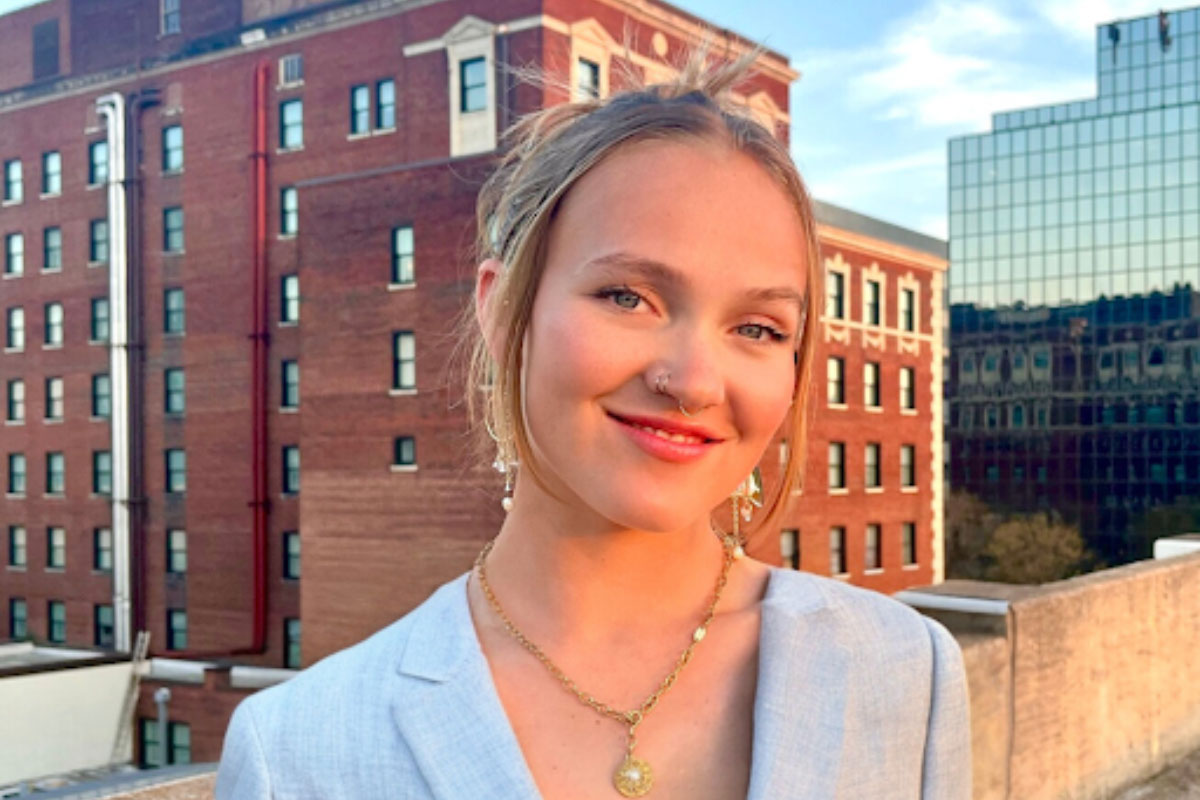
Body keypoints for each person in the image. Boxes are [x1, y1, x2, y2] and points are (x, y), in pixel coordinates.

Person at [215, 49, 971, 800]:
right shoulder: (298, 751)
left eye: (759, 328)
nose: (695, 382)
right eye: (627, 296)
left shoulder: (907, 674)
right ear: (501, 305)